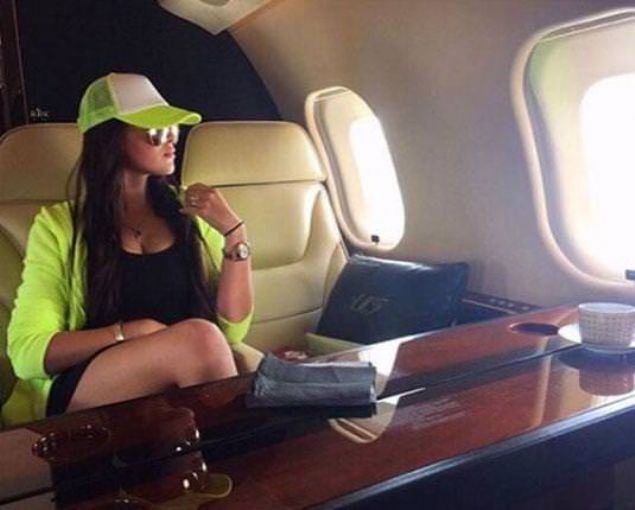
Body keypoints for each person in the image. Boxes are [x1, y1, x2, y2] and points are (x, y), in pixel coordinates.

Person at [2, 73, 253, 425]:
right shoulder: (60, 226)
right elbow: (28, 354)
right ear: (111, 139)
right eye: (156, 131)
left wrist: (234, 233)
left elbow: (232, 331)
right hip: (92, 387)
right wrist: (127, 333)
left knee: (206, 344)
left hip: (180, 391)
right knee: (200, 339)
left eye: (173, 128)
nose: (171, 139)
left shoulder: (189, 214)